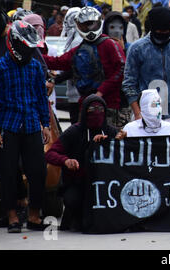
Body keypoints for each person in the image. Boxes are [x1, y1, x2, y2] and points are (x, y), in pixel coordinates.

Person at [0, 0, 48, 229]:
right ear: (14, 44)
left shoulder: (35, 67)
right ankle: (12, 217)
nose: (29, 51)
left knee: (37, 172)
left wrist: (45, 125)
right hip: (7, 127)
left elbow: (40, 97)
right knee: (7, 174)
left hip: (30, 126)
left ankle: (34, 215)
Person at [43, 6, 126, 128]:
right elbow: (58, 62)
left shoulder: (109, 44)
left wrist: (101, 91)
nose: (89, 29)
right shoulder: (79, 50)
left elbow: (121, 69)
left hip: (110, 107)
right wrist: (34, 52)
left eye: (92, 24)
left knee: (111, 143)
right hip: (87, 106)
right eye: (85, 25)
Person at [45, 94, 119, 231]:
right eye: (92, 109)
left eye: (100, 109)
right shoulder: (74, 131)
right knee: (72, 199)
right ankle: (74, 217)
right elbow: (50, 154)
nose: (96, 113)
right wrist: (65, 160)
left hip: (104, 184)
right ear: (84, 111)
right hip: (78, 183)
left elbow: (126, 150)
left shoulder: (110, 131)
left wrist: (114, 141)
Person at [123, 6, 170, 135]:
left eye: (168, 31)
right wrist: (138, 114)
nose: (164, 35)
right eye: (160, 31)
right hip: (146, 117)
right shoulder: (137, 48)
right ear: (152, 28)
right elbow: (129, 84)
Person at [58, 7, 82, 125]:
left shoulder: (77, 41)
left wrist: (55, 79)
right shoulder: (77, 38)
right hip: (76, 93)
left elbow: (72, 67)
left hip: (78, 95)